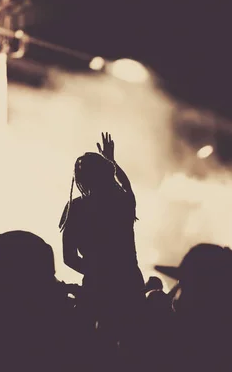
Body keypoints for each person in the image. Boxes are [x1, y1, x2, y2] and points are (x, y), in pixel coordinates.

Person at [59, 132, 145, 352]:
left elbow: (68, 258)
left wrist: (97, 271)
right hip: (129, 283)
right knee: (133, 347)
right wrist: (111, 160)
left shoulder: (75, 209)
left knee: (95, 349)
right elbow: (127, 187)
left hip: (97, 288)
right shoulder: (123, 202)